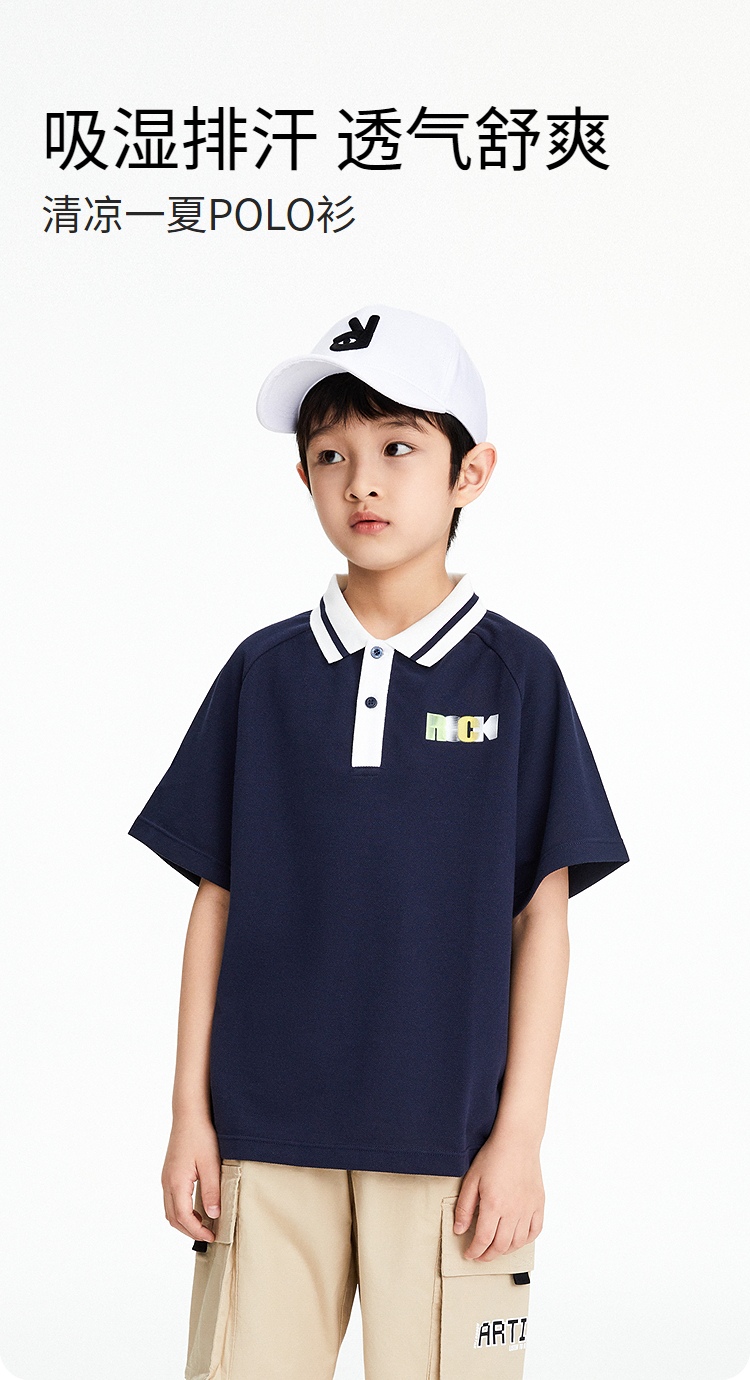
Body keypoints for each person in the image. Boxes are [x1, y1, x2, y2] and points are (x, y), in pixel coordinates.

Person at [128, 303, 629, 1379]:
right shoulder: (265, 675)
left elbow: (541, 920)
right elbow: (215, 902)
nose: (362, 482)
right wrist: (188, 1119)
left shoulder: (518, 678)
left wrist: (520, 1137)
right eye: (331, 455)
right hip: (264, 1141)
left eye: (399, 448)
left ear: (470, 473)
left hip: (452, 1149)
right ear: (302, 479)